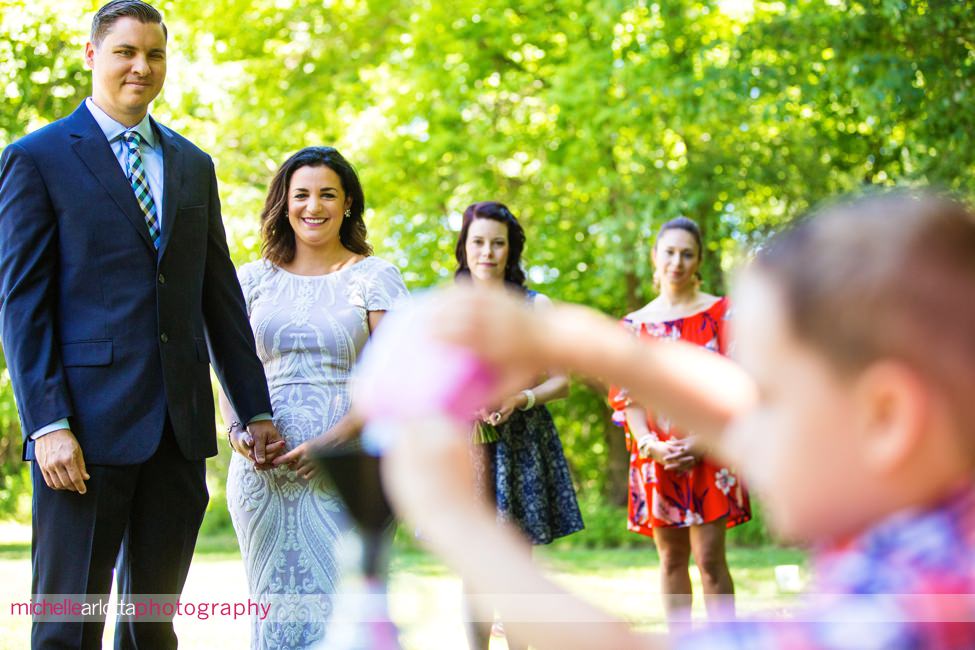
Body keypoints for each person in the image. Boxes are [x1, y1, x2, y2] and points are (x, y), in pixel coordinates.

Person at [380, 191, 975, 649]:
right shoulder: (929, 516)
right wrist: (592, 346)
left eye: (772, 391)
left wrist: (455, 521)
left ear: (888, 419)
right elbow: (744, 427)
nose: (749, 420)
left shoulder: (934, 595)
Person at [0, 2, 282, 648]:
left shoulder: (192, 165)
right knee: (67, 624)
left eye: (154, 54)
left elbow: (219, 300)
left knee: (151, 625)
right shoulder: (36, 158)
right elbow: (22, 303)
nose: (141, 66)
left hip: (177, 432)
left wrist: (253, 409)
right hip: (82, 435)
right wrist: (47, 425)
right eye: (126, 51)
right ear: (92, 55)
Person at [218, 146, 408, 650]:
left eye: (328, 194)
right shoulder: (251, 280)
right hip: (266, 479)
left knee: (350, 615)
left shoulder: (375, 276)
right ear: (283, 203)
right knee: (273, 615)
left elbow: (396, 379)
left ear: (347, 203)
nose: (313, 206)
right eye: (300, 194)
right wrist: (237, 432)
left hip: (349, 468)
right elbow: (228, 370)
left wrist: (334, 442)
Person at [454, 201, 584, 650]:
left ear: (511, 250)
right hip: (465, 446)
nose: (487, 251)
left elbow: (562, 382)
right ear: (463, 248)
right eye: (478, 242)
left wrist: (519, 398)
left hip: (522, 443)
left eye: (497, 243)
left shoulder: (535, 306)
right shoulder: (445, 309)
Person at [609, 217, 749, 625]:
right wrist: (650, 444)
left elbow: (741, 387)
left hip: (711, 454)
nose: (677, 261)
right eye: (669, 252)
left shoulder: (723, 315)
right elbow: (626, 396)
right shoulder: (634, 326)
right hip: (657, 457)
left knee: (709, 560)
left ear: (699, 260)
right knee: (671, 561)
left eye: (687, 253)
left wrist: (703, 441)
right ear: (655, 256)